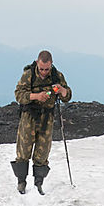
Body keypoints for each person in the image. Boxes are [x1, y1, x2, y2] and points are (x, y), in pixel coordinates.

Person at [11, 50, 72, 195]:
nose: (44, 72)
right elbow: (18, 95)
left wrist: (63, 91)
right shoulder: (28, 75)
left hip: (47, 117)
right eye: (42, 68)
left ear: (51, 65)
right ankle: (21, 182)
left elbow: (67, 96)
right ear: (37, 63)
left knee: (42, 151)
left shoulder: (57, 76)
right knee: (23, 149)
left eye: (47, 69)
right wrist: (36, 96)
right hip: (29, 116)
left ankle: (39, 183)